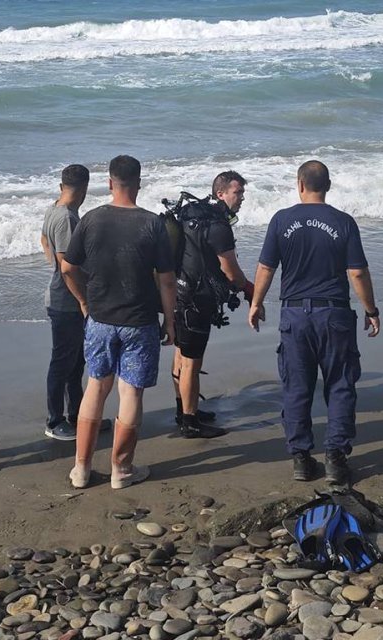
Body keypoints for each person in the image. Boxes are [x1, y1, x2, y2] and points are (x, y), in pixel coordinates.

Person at [248, 160, 380, 486]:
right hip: (334, 313)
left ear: (300, 184)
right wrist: (371, 309)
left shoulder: (281, 220)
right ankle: (335, 457)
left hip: (294, 316)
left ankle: (301, 458)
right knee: (339, 384)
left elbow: (266, 268)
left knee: (296, 386)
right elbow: (357, 272)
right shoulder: (343, 222)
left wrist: (256, 302)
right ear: (329, 185)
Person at [60, 155, 176, 490]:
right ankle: (121, 470)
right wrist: (170, 321)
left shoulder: (92, 219)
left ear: (109, 183)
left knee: (96, 386)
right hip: (139, 322)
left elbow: (68, 268)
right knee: (130, 392)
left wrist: (83, 300)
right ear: (138, 183)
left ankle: (81, 468)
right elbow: (166, 280)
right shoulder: (153, 224)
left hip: (99, 319)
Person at [171, 170, 255, 439]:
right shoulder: (218, 226)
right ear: (221, 193)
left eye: (242, 192)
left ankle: (183, 409)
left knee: (181, 356)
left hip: (179, 292)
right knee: (192, 363)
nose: (241, 197)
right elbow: (231, 272)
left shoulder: (194, 215)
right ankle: (190, 422)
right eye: (237, 192)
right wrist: (250, 290)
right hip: (198, 300)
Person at [39, 164, 89, 441]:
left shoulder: (53, 208)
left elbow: (43, 239)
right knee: (63, 361)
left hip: (58, 295)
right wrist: (83, 300)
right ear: (83, 189)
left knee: (76, 361)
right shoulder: (68, 218)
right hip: (65, 301)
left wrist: (53, 266)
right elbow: (68, 266)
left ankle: (76, 414)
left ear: (62, 186)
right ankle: (54, 420)